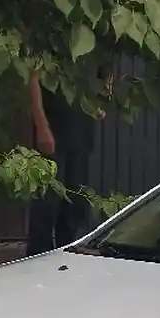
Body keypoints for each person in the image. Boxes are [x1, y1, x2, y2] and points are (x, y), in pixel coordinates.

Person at [26, 71, 96, 255]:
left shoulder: (95, 47)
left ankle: (67, 254)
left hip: (80, 129)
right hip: (53, 129)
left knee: (74, 200)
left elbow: (105, 74)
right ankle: (37, 255)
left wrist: (99, 102)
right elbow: (32, 79)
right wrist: (42, 126)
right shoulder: (51, 45)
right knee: (46, 201)